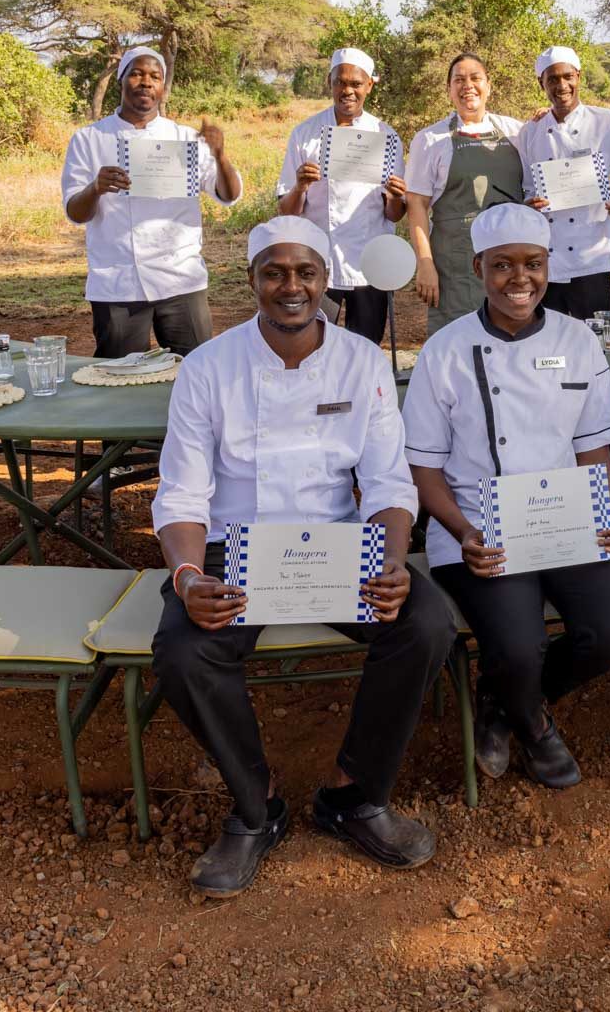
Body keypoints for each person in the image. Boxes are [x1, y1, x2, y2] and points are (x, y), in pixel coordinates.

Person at [149, 216, 455, 896]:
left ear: (326, 280)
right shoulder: (207, 367)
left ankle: (357, 794)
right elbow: (183, 494)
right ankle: (255, 807)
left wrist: (393, 559)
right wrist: (189, 575)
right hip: (235, 550)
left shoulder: (360, 360)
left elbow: (384, 480)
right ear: (252, 280)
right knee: (182, 649)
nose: (291, 287)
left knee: (424, 623)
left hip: (337, 543)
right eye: (274, 273)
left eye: (305, 272)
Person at [403, 203, 610, 788]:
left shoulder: (578, 339)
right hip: (478, 527)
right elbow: (423, 468)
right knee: (521, 644)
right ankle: (534, 725)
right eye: (503, 265)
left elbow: (592, 447)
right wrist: (463, 532)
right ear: (478, 266)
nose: (520, 279)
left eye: (533, 264)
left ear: (548, 265)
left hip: (565, 521)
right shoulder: (445, 350)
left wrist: (600, 512)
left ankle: (502, 700)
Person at [60, 46, 244, 357]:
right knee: (119, 379)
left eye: (155, 77)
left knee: (194, 371)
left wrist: (220, 155)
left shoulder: (185, 139)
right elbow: (75, 212)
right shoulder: (89, 139)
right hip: (118, 283)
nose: (146, 82)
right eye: (137, 74)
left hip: (181, 278)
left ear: (162, 87)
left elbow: (229, 195)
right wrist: (96, 188)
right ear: (122, 81)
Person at [276, 47, 408, 343]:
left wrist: (398, 196)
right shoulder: (305, 133)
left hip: (369, 262)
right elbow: (287, 212)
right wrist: (300, 187)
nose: (347, 90)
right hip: (318, 262)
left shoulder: (385, 136)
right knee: (314, 344)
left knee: (365, 346)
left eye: (356, 84)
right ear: (330, 82)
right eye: (340, 82)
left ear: (369, 86)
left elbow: (394, 214)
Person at [516, 46, 610, 320]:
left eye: (567, 77)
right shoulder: (530, 131)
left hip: (592, 254)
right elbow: (527, 189)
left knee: (595, 340)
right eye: (552, 79)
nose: (562, 85)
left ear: (578, 77)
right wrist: (529, 205)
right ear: (542, 83)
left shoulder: (607, 122)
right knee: (549, 339)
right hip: (547, 257)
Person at [404, 53, 526, 334]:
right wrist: (425, 265)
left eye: (475, 78)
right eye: (458, 80)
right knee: (456, 339)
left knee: (510, 334)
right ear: (449, 89)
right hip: (454, 262)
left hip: (508, 255)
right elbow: (417, 205)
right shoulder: (430, 140)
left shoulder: (517, 132)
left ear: (489, 85)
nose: (467, 85)